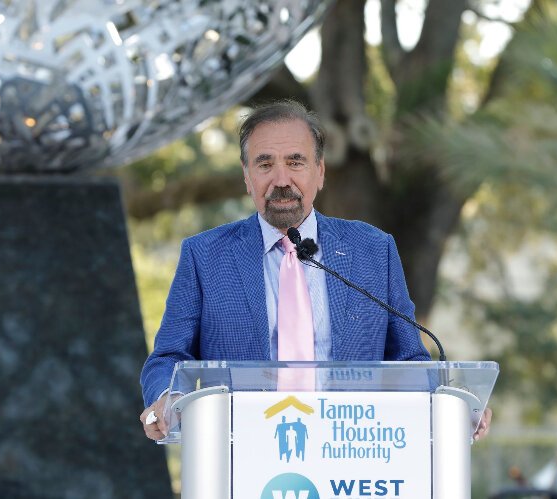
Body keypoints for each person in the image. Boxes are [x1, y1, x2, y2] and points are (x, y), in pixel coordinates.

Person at [139, 100, 492, 441]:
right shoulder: (204, 255)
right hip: (242, 452)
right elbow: (170, 357)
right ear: (247, 177)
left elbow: (409, 359)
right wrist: (166, 398)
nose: (281, 179)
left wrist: (453, 405)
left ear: (320, 172)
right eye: (265, 164)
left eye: (296, 162)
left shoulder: (373, 250)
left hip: (352, 452)